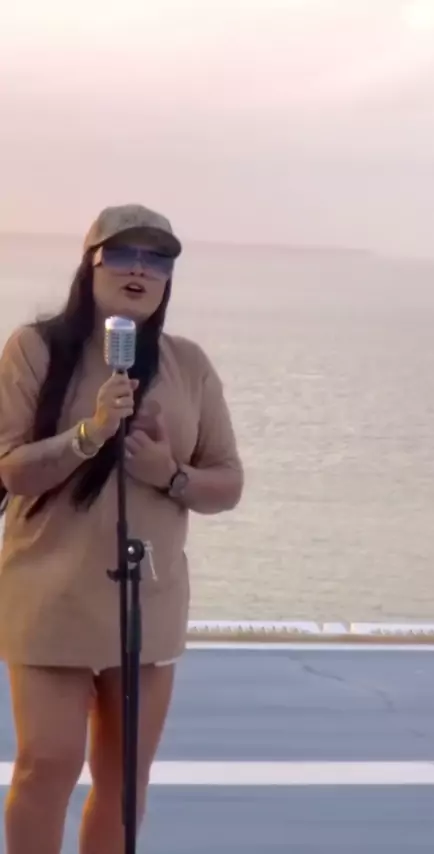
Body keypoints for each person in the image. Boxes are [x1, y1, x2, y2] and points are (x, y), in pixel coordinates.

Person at [0, 203, 244, 854]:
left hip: (146, 604)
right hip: (49, 597)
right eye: (124, 255)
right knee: (46, 765)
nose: (140, 270)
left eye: (156, 260)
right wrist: (90, 433)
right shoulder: (35, 350)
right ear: (91, 265)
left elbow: (227, 482)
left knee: (124, 779)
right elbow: (11, 470)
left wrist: (171, 475)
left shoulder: (189, 365)